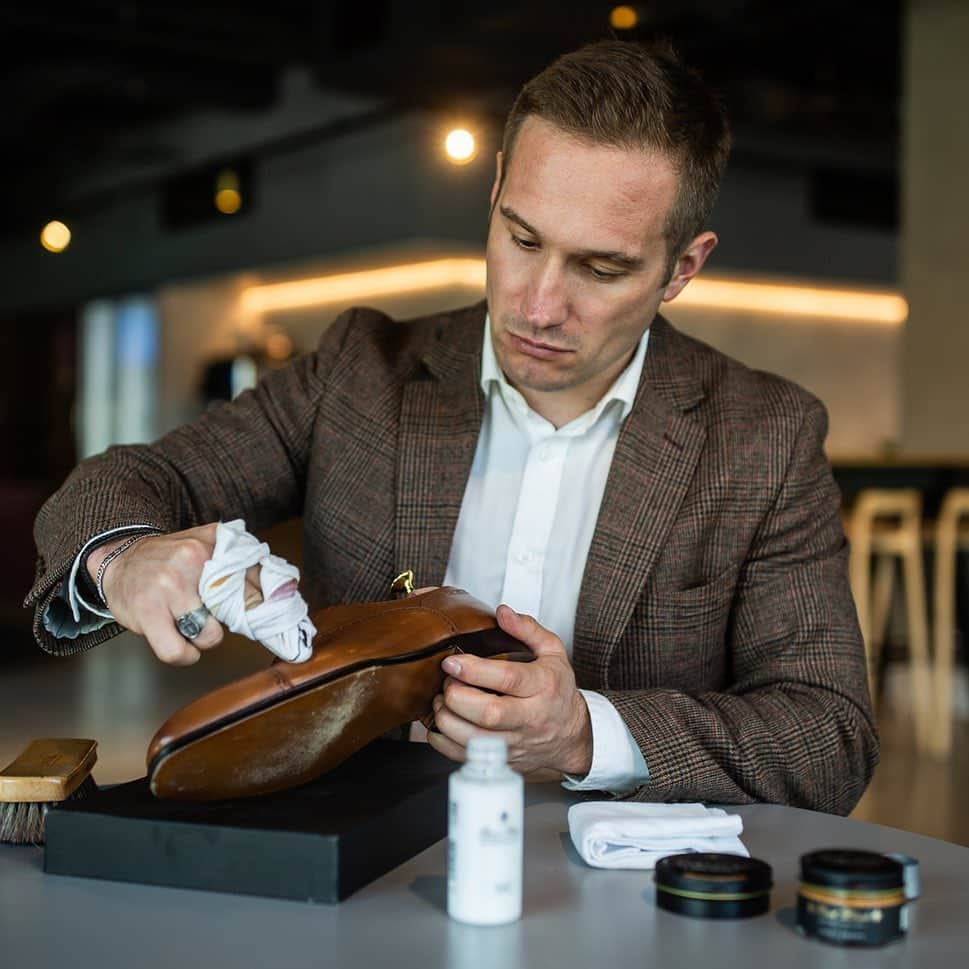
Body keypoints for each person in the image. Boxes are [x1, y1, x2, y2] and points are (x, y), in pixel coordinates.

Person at [27, 41, 877, 814]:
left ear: (682, 266)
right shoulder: (361, 372)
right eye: (521, 238)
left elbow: (828, 733)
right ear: (499, 184)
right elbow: (130, 481)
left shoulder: (765, 436)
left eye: (601, 267)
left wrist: (585, 733)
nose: (540, 305)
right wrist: (122, 554)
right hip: (355, 867)